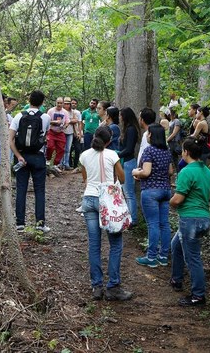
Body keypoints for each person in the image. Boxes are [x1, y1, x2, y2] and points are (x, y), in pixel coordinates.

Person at [79, 126, 133, 301]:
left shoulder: (84, 155)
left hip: (89, 199)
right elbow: (122, 178)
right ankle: (113, 286)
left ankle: (97, 286)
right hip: (108, 202)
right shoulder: (112, 155)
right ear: (109, 140)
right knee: (115, 244)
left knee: (94, 244)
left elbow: (85, 178)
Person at [169, 137, 210, 306]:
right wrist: (200, 199)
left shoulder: (186, 171)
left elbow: (177, 199)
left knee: (193, 258)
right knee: (176, 245)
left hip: (191, 220)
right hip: (203, 218)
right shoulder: (206, 170)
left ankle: (198, 295)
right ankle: (176, 280)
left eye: (183, 150)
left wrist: (170, 202)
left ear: (186, 152)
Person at [9, 90, 51, 233]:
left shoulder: (18, 116)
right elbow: (45, 136)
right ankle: (40, 224)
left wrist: (18, 156)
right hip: (38, 157)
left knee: (21, 189)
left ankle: (20, 223)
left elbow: (10, 139)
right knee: (40, 191)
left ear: (29, 100)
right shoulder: (45, 117)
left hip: (22, 156)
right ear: (42, 102)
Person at [132, 124, 173, 268]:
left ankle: (151, 257)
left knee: (153, 224)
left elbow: (146, 172)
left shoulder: (149, 150)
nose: (147, 135)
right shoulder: (166, 151)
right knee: (164, 224)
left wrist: (136, 172)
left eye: (148, 133)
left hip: (151, 191)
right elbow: (170, 171)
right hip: (165, 190)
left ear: (151, 135)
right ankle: (163, 256)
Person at [117, 107, 141, 226]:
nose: (120, 118)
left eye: (121, 115)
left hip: (128, 162)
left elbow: (129, 149)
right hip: (124, 162)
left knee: (129, 193)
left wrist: (116, 154)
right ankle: (128, 217)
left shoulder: (131, 129)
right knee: (125, 192)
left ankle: (133, 219)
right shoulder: (127, 129)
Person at [46, 96, 69, 170]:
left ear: (63, 104)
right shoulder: (51, 111)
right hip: (51, 131)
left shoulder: (65, 112)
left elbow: (67, 121)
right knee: (50, 146)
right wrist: (55, 122)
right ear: (55, 103)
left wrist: (65, 126)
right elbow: (47, 121)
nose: (59, 104)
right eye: (58, 103)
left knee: (61, 149)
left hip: (60, 132)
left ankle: (56, 164)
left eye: (61, 103)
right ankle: (48, 160)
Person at [60, 97, 78, 170]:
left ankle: (66, 164)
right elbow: (60, 121)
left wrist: (68, 120)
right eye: (65, 104)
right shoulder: (61, 111)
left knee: (68, 149)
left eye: (68, 104)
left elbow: (75, 120)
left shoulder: (72, 112)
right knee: (61, 148)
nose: (67, 105)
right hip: (62, 131)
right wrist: (69, 120)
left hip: (70, 132)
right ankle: (60, 164)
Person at [70, 98, 84, 169]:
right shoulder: (66, 112)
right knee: (68, 149)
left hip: (76, 133)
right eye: (72, 103)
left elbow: (80, 123)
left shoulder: (78, 112)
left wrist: (80, 133)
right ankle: (69, 164)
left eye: (75, 103)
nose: (74, 105)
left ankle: (75, 165)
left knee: (78, 149)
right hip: (69, 132)